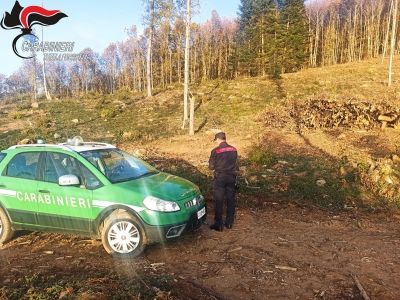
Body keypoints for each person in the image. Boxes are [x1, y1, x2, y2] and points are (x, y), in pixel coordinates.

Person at [208, 132, 238, 231]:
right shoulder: (234, 149)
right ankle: (229, 223)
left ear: (218, 139)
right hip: (232, 177)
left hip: (220, 178)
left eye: (216, 140)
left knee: (219, 200)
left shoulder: (215, 151)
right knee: (230, 200)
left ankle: (219, 224)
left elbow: (211, 167)